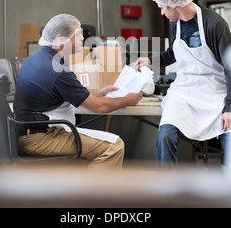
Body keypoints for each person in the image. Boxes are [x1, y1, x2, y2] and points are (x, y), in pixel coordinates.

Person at [13, 14, 143, 169]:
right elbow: (98, 107)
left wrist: (100, 91)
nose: (83, 38)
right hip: (42, 138)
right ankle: (88, 193)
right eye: (78, 34)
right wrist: (128, 100)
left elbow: (69, 90)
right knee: (113, 146)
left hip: (29, 135)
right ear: (61, 39)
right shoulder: (57, 70)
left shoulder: (37, 59)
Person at [135, 0, 231, 168]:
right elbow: (175, 52)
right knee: (165, 136)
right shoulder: (176, 23)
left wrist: (230, 109)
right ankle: (169, 188)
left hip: (214, 91)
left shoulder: (215, 24)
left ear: (173, 3)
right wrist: (150, 61)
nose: (162, 13)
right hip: (184, 90)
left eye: (162, 8)